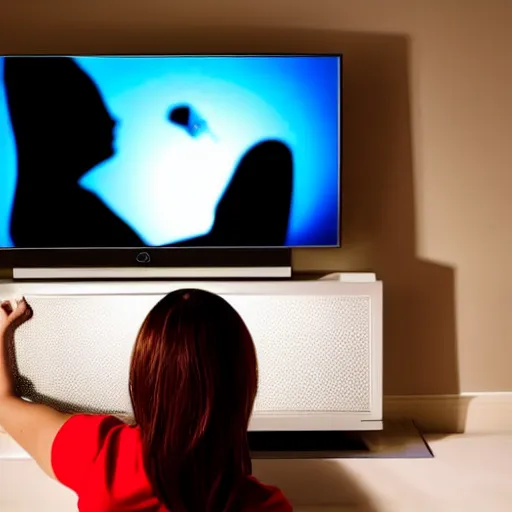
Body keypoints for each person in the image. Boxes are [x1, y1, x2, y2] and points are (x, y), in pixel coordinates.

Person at [0, 291, 292, 511]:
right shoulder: (267, 506)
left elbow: (3, 402)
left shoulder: (100, 456)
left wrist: (2, 333)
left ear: (143, 377)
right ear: (243, 385)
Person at [4, 56, 145, 248]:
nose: (114, 121)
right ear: (64, 120)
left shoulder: (42, 211)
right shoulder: (61, 212)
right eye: (96, 107)